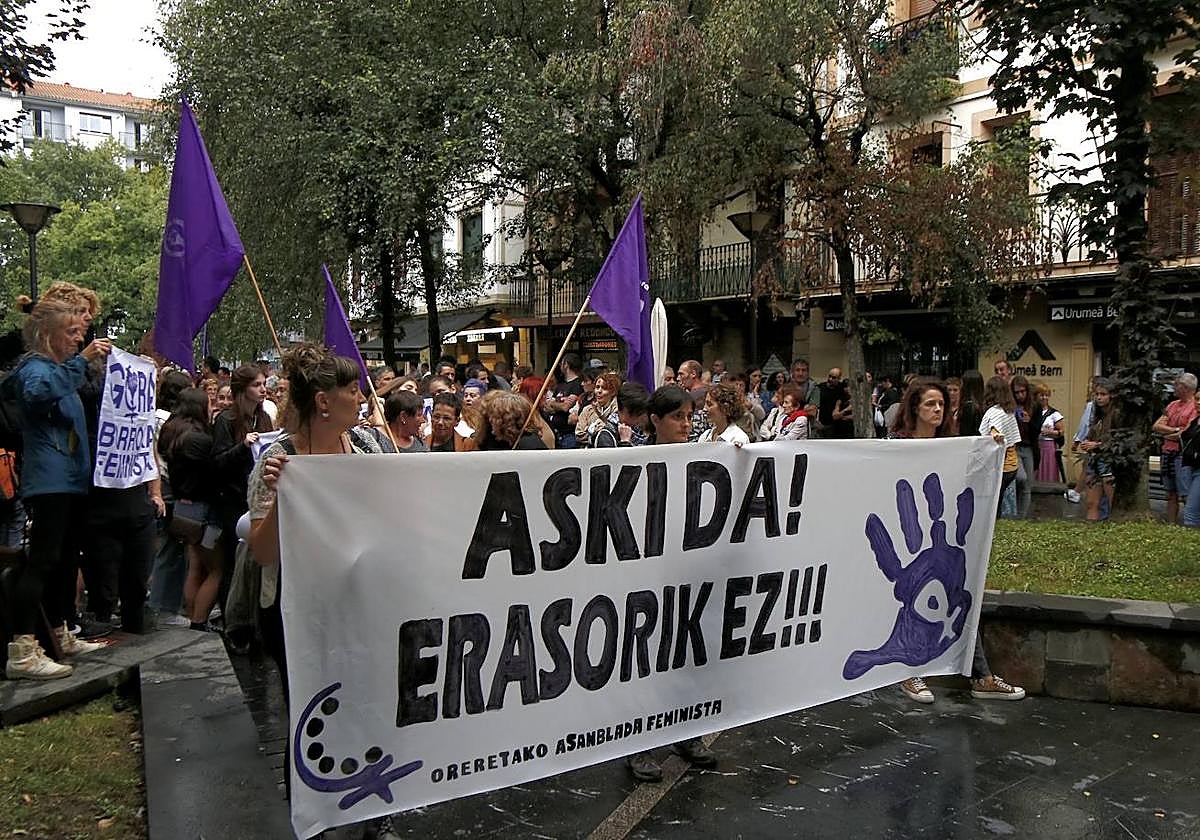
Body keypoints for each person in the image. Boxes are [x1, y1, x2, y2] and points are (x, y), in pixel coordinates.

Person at [248, 343, 385, 805]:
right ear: (324, 401)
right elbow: (264, 555)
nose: (362, 397)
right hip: (297, 611)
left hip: (361, 601)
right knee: (308, 709)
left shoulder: (370, 446)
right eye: (352, 389)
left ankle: (371, 807)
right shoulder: (276, 461)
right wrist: (283, 496)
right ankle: (313, 810)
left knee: (369, 703)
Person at [888, 378, 1026, 704]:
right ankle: (908, 673)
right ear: (914, 409)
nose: (938, 410)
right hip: (906, 539)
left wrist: (992, 446)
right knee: (907, 605)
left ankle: (982, 677)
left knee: (962, 599)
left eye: (941, 405)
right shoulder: (897, 444)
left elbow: (977, 472)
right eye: (930, 405)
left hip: (943, 541)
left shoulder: (953, 444)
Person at [5, 297, 110, 680]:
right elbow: (36, 394)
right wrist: (80, 361)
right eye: (70, 333)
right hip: (49, 481)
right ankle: (22, 648)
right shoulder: (35, 368)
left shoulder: (60, 370)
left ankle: (61, 632)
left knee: (66, 559)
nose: (77, 339)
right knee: (43, 561)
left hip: (69, 480)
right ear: (48, 334)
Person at [626, 385, 717, 781]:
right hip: (647, 579)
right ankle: (639, 745)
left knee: (687, 657)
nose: (685, 424)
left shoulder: (703, 460)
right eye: (677, 417)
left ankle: (684, 731)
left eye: (689, 417)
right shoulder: (633, 464)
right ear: (655, 421)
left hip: (689, 576)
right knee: (646, 662)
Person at [211, 365, 274, 633]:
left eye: (263, 384)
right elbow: (216, 464)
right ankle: (233, 623)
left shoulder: (265, 419)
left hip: (257, 501)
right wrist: (243, 446)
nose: (262, 390)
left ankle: (255, 621)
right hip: (233, 502)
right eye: (256, 385)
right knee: (232, 563)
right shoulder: (225, 421)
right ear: (242, 389)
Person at [158, 389, 224, 631]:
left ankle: (191, 613)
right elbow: (216, 469)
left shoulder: (172, 432)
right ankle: (198, 620)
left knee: (195, 565)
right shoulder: (199, 440)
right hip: (204, 509)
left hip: (185, 508)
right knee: (216, 570)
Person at [1152, 372, 1197, 524]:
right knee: (1170, 492)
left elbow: (1187, 433)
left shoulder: (1195, 407)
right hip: (1167, 452)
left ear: (1185, 387)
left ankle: (1189, 524)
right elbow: (1157, 425)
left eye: (1176, 385)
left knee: (1186, 493)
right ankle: (1171, 525)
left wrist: (1173, 431)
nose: (1173, 388)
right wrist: (1176, 430)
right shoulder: (1172, 405)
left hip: (1182, 455)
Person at [980, 376, 1021, 519]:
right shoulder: (1008, 412)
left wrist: (996, 435)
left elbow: (994, 430)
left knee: (991, 505)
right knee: (997, 500)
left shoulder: (994, 412)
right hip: (1012, 464)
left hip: (1001, 466)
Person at [1079, 378, 1116, 522]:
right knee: (1091, 502)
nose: (1099, 397)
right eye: (1097, 394)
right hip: (1093, 458)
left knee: (1111, 500)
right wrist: (1087, 442)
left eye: (1103, 394)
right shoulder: (1096, 412)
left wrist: (1098, 445)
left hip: (1108, 459)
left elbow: (1118, 439)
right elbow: (1091, 432)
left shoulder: (1116, 413)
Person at [475, 390, 547, 450]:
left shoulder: (529, 447)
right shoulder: (516, 442)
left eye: (493, 416)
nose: (490, 420)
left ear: (506, 420)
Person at [1011, 375, 1037, 518]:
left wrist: (1029, 421)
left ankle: (1022, 517)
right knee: (1020, 478)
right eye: (1017, 392)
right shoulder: (1010, 407)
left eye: (1023, 391)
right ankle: (1014, 515)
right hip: (1015, 446)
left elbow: (1037, 430)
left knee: (1027, 484)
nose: (1020, 395)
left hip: (1028, 447)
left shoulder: (1034, 406)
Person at [544, 353, 584, 448]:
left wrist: (554, 404)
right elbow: (547, 406)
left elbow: (566, 407)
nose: (560, 366)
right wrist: (559, 404)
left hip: (569, 435)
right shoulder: (560, 386)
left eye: (561, 363)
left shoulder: (577, 384)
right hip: (556, 434)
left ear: (566, 364)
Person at [592, 382, 650, 448]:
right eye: (636, 415)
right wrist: (625, 442)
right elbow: (611, 458)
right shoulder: (606, 436)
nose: (638, 420)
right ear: (624, 410)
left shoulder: (640, 431)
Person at [575, 372, 619, 448]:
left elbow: (618, 432)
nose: (599, 391)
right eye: (597, 387)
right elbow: (579, 434)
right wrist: (594, 434)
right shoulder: (587, 410)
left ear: (613, 392)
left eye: (604, 388)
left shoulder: (619, 410)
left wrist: (593, 430)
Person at [1034, 384, 1066, 483]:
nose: (1044, 397)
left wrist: (1050, 432)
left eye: (1046, 395)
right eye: (1041, 395)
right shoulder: (1032, 412)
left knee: (1048, 471)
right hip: (1036, 446)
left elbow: (1061, 432)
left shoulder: (1054, 414)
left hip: (1048, 447)